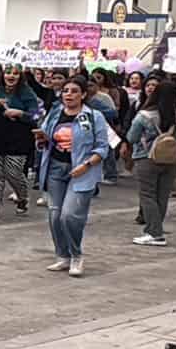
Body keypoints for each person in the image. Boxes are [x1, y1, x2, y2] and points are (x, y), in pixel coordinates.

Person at [37, 77, 110, 277]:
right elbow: (46, 138)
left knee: (70, 215)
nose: (68, 94)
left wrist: (86, 165)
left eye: (74, 91)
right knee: (55, 215)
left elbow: (103, 148)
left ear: (83, 94)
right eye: (65, 91)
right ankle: (62, 255)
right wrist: (42, 139)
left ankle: (76, 255)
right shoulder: (55, 114)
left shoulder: (94, 116)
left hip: (82, 171)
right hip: (54, 168)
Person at [126, 80, 176, 246]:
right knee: (162, 195)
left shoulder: (144, 116)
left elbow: (131, 137)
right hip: (170, 160)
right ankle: (156, 229)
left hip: (146, 158)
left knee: (147, 195)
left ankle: (154, 232)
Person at [0, 64, 42, 219]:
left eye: (15, 73)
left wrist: (20, 113)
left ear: (20, 76)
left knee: (13, 172)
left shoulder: (27, 92)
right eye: (8, 73)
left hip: (18, 139)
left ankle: (22, 197)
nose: (11, 76)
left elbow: (35, 115)